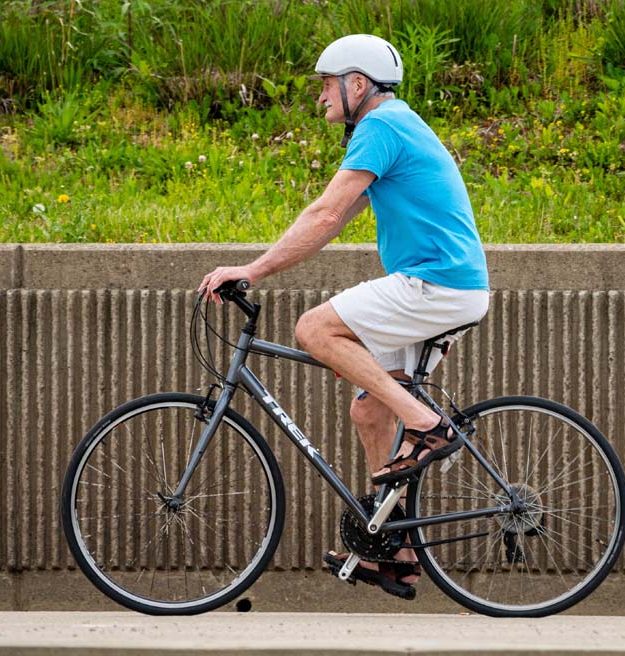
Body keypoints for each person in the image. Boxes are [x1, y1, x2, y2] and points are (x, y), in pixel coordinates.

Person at [198, 34, 490, 599]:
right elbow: (334, 220)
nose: (321, 97)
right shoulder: (393, 129)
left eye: (326, 84)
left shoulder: (382, 127)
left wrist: (251, 270)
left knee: (313, 328)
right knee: (369, 412)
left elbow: (325, 212)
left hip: (436, 284)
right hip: (446, 286)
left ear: (358, 84)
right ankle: (396, 551)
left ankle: (429, 428)